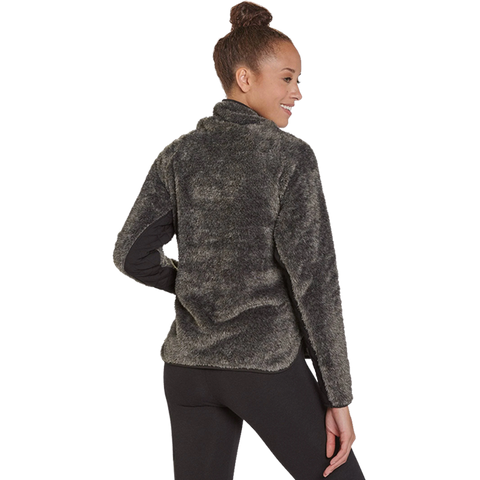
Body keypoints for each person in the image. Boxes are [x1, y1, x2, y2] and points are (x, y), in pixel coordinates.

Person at [110, 1, 367, 478]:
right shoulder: (290, 156)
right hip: (263, 365)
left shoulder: (178, 153)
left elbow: (129, 254)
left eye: (300, 80)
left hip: (188, 368)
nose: (298, 92)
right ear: (245, 78)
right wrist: (339, 397)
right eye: (287, 78)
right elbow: (316, 285)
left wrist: (200, 285)